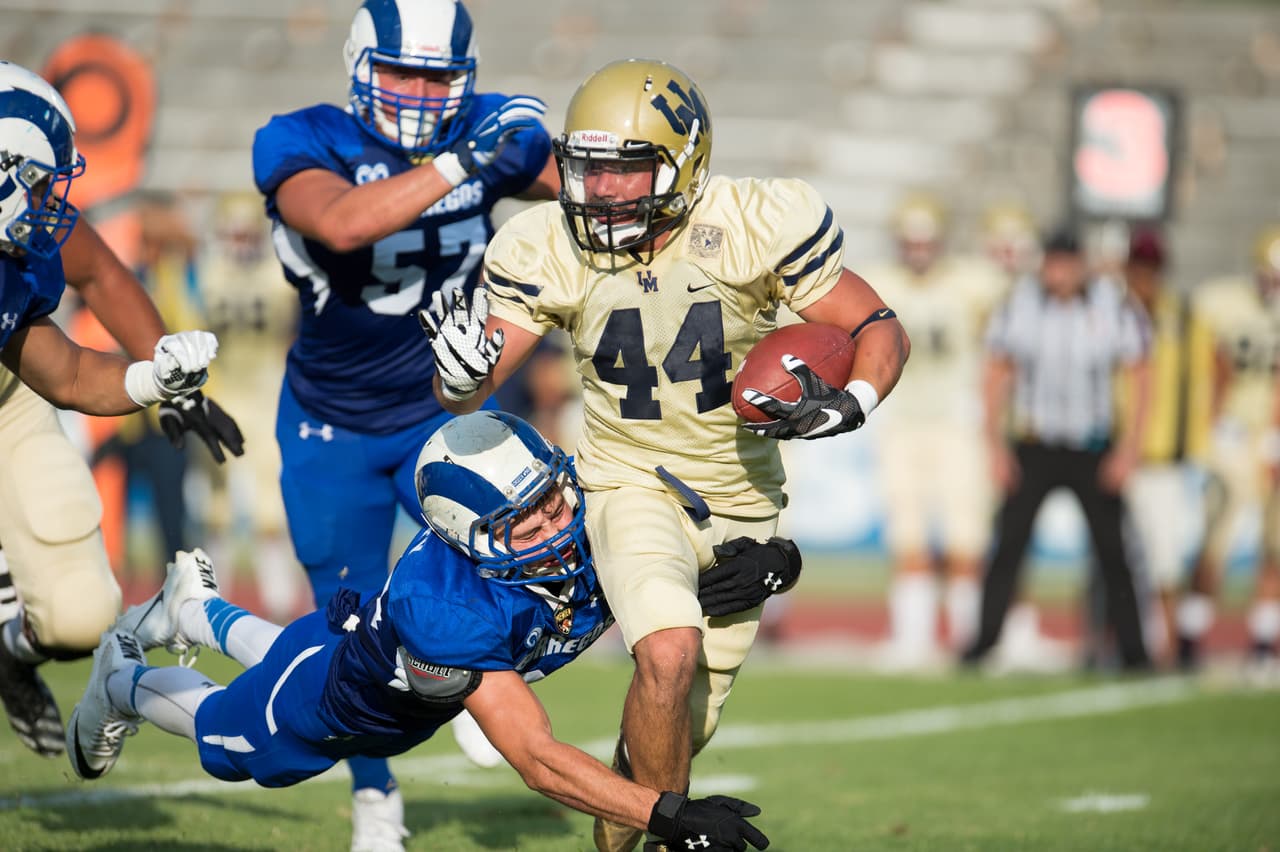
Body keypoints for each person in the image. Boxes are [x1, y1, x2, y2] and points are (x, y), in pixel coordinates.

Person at [420, 58, 910, 851]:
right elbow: (468, 387)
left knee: (681, 728)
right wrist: (457, 374)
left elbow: (876, 327)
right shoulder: (550, 244)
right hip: (627, 482)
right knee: (666, 651)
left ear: (683, 162)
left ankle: (623, 832)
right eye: (586, 172)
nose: (599, 193)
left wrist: (853, 403)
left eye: (624, 173)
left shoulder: (755, 223)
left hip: (744, 499)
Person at [65, 411, 777, 852]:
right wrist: (666, 814)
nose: (559, 527)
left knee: (295, 647)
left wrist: (774, 561)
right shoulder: (446, 609)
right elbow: (535, 757)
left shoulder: (586, 511)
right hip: (338, 706)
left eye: (555, 500)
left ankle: (191, 608)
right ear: (471, 540)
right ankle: (122, 683)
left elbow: (694, 549)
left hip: (361, 658)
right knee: (235, 743)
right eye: (525, 524)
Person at [250, 0, 558, 840]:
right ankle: (374, 791)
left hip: (443, 407)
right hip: (332, 420)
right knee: (344, 617)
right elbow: (347, 224)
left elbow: (590, 196)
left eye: (438, 78)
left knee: (521, 559)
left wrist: (580, 153)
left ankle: (473, 679)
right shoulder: (301, 138)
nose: (420, 94)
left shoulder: (491, 133)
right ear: (359, 68)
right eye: (402, 73)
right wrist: (468, 158)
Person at [0, 60, 231, 761]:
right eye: (38, 182)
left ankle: (9, 654)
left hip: (8, 402)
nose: (49, 203)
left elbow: (71, 362)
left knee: (80, 616)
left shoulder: (22, 236)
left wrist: (163, 377)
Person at [961, 226, 1152, 671]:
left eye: (1065, 262)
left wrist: (1129, 450)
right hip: (1035, 442)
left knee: (1113, 551)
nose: (1057, 272)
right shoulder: (1021, 305)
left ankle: (1133, 650)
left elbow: (1142, 375)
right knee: (1008, 544)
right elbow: (996, 373)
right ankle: (984, 640)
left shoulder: (1112, 306)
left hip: (1092, 445)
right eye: (1052, 261)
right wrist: (993, 446)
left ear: (1081, 263)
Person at [863, 192, 1006, 669]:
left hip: (955, 423)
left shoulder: (972, 284)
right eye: (911, 241)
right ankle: (913, 638)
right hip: (901, 423)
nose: (919, 250)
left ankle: (970, 635)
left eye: (926, 241)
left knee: (967, 532)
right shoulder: (881, 283)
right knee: (908, 532)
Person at [1177, 225, 1280, 670]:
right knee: (1216, 536)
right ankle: (1190, 635)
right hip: (1236, 433)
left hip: (1271, 433)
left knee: (1275, 543)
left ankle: (1262, 644)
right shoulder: (1227, 304)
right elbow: (1216, 366)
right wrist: (1214, 429)